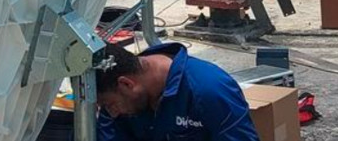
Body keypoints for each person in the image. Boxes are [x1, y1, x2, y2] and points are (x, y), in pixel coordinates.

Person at [96, 42, 260, 141]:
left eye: (110, 105)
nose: (112, 112)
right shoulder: (115, 93)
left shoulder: (209, 90)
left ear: (126, 84)